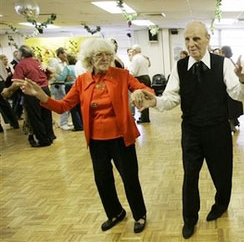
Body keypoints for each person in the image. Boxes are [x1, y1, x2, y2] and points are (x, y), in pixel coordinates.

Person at [12, 38, 153, 233]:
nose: (104, 59)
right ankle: (115, 213)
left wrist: (140, 92)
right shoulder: (82, 81)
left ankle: (140, 214)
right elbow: (63, 107)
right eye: (99, 55)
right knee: (102, 180)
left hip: (121, 137)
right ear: (89, 59)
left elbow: (144, 88)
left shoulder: (122, 75)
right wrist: (40, 96)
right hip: (96, 140)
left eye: (107, 55)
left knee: (129, 178)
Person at [133, 21, 244, 239]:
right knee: (190, 176)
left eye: (196, 38)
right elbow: (171, 98)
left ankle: (221, 205)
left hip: (217, 130)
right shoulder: (180, 67)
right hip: (191, 131)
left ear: (207, 39)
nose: (191, 44)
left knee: (222, 175)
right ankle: (190, 218)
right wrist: (155, 102)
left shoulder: (222, 64)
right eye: (187, 39)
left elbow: (238, 94)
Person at [2, 45, 54, 146]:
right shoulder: (37, 62)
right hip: (45, 89)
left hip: (32, 91)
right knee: (46, 114)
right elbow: (49, 74)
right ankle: (49, 136)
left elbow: (17, 82)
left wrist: (8, 91)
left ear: (21, 54)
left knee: (35, 116)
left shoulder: (21, 65)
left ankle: (43, 140)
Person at [55, 54, 83, 131]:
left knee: (72, 107)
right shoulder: (77, 67)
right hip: (78, 85)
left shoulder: (67, 68)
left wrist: (54, 75)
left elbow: (61, 77)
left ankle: (78, 125)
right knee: (79, 106)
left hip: (70, 86)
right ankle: (82, 124)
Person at [221, 45, 244, 132]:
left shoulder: (226, 62)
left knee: (231, 108)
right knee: (233, 107)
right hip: (232, 88)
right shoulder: (231, 61)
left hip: (230, 89)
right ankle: (235, 121)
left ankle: (232, 124)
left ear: (223, 52)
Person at [48, 47, 71, 130]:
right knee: (62, 104)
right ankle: (63, 123)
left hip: (64, 85)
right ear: (60, 54)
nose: (66, 55)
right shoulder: (54, 61)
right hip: (57, 85)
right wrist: (63, 77)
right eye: (65, 53)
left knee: (68, 103)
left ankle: (66, 121)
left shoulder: (65, 62)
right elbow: (51, 73)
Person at [129, 44, 151, 123]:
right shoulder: (144, 57)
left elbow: (133, 72)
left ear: (134, 51)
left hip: (140, 79)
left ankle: (144, 118)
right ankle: (145, 117)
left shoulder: (135, 58)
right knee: (145, 98)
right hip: (147, 77)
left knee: (140, 99)